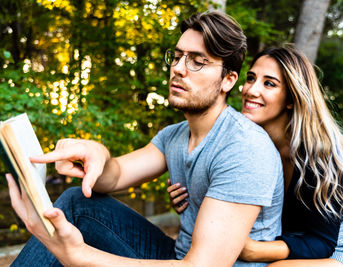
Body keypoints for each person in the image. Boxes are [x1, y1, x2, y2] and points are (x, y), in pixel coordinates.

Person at [7, 11, 284, 267]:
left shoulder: (245, 148)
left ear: (228, 80)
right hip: (178, 256)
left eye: (197, 62)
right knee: (76, 202)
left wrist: (80, 255)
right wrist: (95, 153)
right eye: (176, 57)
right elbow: (114, 176)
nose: (178, 68)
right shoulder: (175, 135)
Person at [168, 46, 343, 266]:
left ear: (291, 98)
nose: (251, 90)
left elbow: (321, 241)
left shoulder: (317, 156)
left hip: (337, 253)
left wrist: (249, 249)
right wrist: (192, 197)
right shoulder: (240, 145)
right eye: (250, 78)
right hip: (285, 249)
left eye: (269, 83)